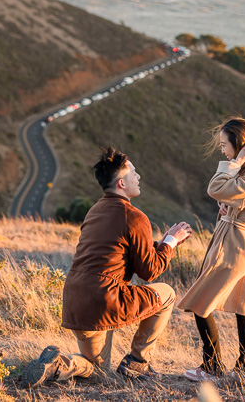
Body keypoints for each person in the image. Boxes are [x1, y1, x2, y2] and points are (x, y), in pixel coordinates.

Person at [21, 147, 194, 387]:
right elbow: (150, 271)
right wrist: (171, 242)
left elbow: (116, 247)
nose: (139, 176)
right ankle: (138, 362)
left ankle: (58, 365)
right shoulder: (134, 216)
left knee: (98, 371)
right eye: (134, 172)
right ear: (122, 183)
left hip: (76, 301)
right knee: (167, 294)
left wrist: (160, 242)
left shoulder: (94, 211)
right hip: (105, 299)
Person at [178, 117, 245, 381]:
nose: (222, 150)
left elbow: (214, 188)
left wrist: (235, 162)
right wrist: (229, 207)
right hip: (238, 238)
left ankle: (211, 368)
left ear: (241, 145)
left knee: (201, 302)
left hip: (236, 243)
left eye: (225, 145)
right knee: (243, 304)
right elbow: (229, 195)